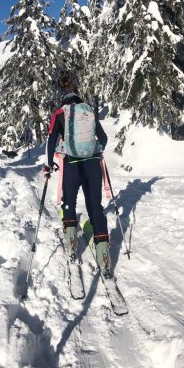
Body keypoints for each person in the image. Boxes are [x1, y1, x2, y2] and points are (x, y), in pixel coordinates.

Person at [44, 88, 112, 278]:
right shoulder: (88, 112)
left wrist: (49, 165)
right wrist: (96, 151)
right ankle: (104, 257)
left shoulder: (60, 114)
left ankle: (72, 245)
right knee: (95, 206)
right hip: (92, 165)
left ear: (64, 101)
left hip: (71, 165)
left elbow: (51, 141)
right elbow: (104, 138)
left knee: (69, 202)